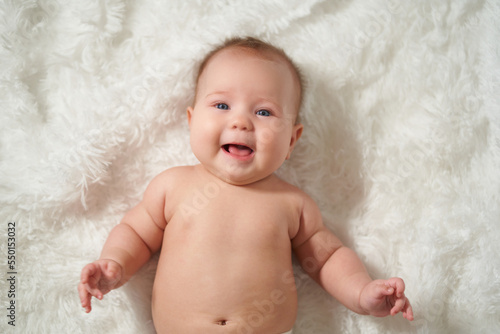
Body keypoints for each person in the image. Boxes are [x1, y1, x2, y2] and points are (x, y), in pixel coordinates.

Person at [78, 36, 413, 334]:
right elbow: (135, 233)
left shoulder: (291, 203)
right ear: (193, 121)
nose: (240, 122)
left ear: (291, 141)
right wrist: (115, 265)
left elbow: (327, 258)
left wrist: (361, 293)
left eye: (264, 112)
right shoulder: (172, 186)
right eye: (221, 105)